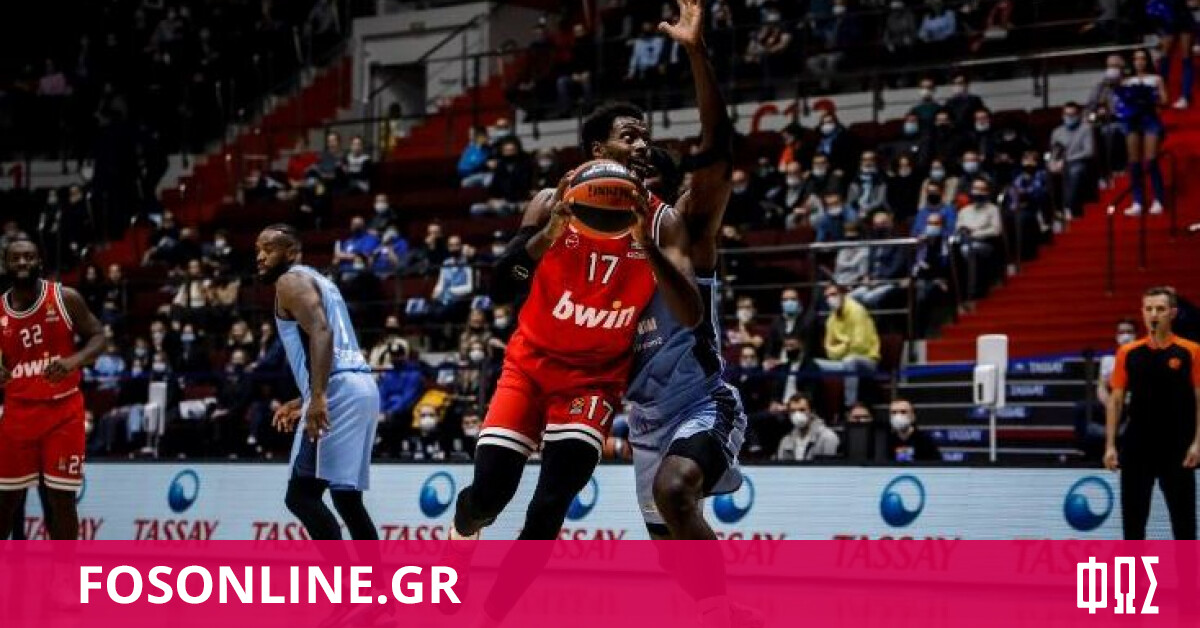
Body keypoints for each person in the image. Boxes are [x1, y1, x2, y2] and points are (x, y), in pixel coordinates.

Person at [449, 116, 703, 544]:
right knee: (488, 498)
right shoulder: (552, 201)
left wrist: (646, 245)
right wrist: (548, 235)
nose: (642, 145)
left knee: (549, 507)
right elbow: (499, 288)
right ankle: (461, 532)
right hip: (530, 366)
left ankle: (500, 593)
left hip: (594, 381)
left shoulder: (664, 223)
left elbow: (691, 315)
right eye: (629, 137)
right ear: (598, 150)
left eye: (646, 137)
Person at [255, 224, 380, 541]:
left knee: (301, 497)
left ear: (291, 253)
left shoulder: (289, 281)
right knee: (347, 500)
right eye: (258, 250)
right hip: (361, 386)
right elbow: (336, 347)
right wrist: (305, 399)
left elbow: (322, 333)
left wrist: (319, 397)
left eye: (268, 249)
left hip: (336, 391)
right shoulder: (321, 281)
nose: (260, 257)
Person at [0, 239, 106, 539]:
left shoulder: (65, 298)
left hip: (63, 412)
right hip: (18, 414)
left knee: (61, 499)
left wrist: (75, 360)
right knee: (5, 501)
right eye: (16, 258)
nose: (23, 262)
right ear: (6, 265)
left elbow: (99, 335)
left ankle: (66, 566)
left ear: (40, 262)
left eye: (29, 257)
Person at [1105, 287, 1200, 539]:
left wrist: (1197, 442)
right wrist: (1110, 446)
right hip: (1137, 445)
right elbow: (1115, 401)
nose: (1154, 314)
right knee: (1133, 526)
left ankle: (1188, 569)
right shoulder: (1127, 353)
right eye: (1148, 309)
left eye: (1160, 309)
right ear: (1143, 313)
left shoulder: (1191, 350)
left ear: (1173, 313)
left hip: (1177, 446)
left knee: (1184, 525)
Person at [1118, 49, 1168, 216]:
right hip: (1132, 121)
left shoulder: (1156, 79)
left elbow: (1165, 99)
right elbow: (1119, 102)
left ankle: (1158, 199)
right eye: (1136, 59)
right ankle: (1138, 201)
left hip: (1150, 119)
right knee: (1134, 162)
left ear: (1147, 61)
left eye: (1143, 59)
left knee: (1151, 160)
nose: (1139, 62)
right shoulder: (1126, 81)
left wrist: (1152, 99)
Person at [816, 283, 880, 408]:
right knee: (813, 363)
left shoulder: (857, 311)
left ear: (842, 295)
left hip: (867, 361)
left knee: (850, 361)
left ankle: (850, 406)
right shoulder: (831, 319)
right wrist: (847, 344)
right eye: (827, 296)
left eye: (833, 294)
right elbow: (829, 351)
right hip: (842, 362)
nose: (830, 299)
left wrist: (840, 347)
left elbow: (860, 346)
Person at [1049, 102, 1096, 218]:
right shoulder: (1057, 132)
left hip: (1080, 162)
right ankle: (1053, 213)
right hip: (1061, 163)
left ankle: (1070, 208)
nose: (1069, 117)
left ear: (1078, 115)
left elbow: (1089, 152)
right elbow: (1054, 152)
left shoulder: (1086, 129)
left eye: (1073, 115)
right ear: (1062, 115)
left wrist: (1066, 161)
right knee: (1047, 173)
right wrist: (1052, 163)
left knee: (1075, 171)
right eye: (1067, 114)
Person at [774, 394, 840, 461]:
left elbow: (830, 467)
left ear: (812, 412)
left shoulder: (828, 438)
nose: (797, 414)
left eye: (802, 410)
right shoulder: (785, 441)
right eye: (793, 411)